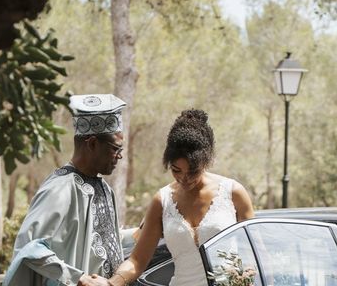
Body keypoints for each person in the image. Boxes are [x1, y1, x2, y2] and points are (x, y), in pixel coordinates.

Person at [102, 108, 255, 286]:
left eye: (192, 171)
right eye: (176, 170)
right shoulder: (162, 200)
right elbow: (137, 261)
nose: (184, 178)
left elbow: (255, 254)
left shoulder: (233, 193)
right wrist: (111, 283)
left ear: (206, 162)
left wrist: (247, 277)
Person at [0, 94, 127, 286]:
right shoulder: (60, 188)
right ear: (92, 143)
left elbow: (100, 242)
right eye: (115, 149)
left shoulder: (105, 189)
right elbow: (29, 246)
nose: (119, 156)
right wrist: (78, 278)